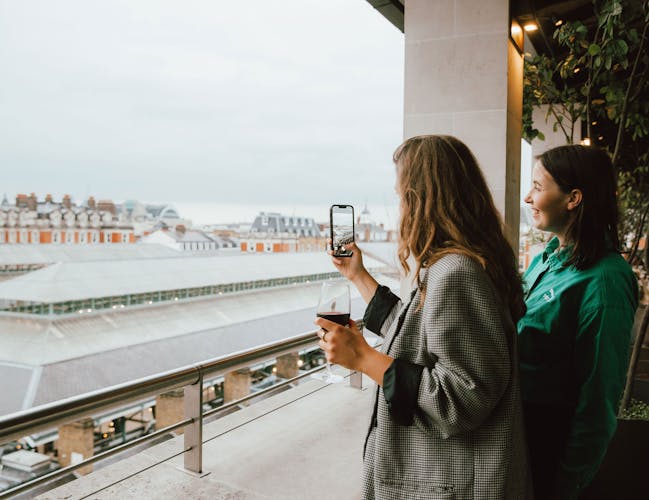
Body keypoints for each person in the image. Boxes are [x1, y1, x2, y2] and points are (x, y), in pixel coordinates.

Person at [315, 135, 532, 499]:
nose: (399, 207)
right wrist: (358, 276)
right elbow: (417, 330)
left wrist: (364, 358)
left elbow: (463, 397)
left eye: (402, 195)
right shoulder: (457, 263)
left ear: (421, 198)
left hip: (447, 483)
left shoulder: (456, 271)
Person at [518, 144, 638, 499]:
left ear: (573, 198)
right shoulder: (544, 258)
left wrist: (567, 483)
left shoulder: (606, 281)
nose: (528, 197)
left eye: (538, 187)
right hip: (517, 439)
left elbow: (599, 398)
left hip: (550, 447)